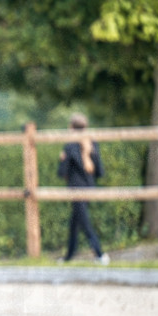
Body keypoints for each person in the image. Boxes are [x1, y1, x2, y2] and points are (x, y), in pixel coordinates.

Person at [57, 112, 109, 264]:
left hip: (75, 188)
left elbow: (62, 173)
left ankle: (100, 255)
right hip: (90, 187)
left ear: (71, 127)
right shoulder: (93, 143)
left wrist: (62, 159)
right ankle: (68, 256)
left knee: (84, 223)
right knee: (75, 222)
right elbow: (98, 171)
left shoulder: (69, 146)